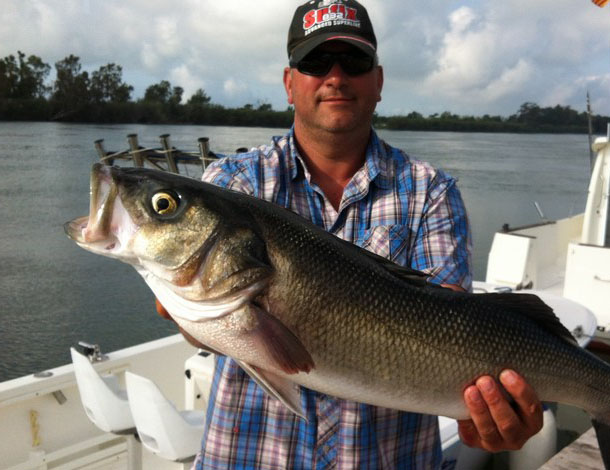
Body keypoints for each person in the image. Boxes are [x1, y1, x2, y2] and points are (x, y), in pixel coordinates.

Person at [157, 1, 543, 468]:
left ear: (378, 82)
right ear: (289, 83)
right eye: (316, 62)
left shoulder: (431, 192)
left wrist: (490, 415)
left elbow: (452, 332)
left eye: (353, 62)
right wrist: (186, 309)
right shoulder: (234, 183)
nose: (335, 77)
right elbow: (213, 328)